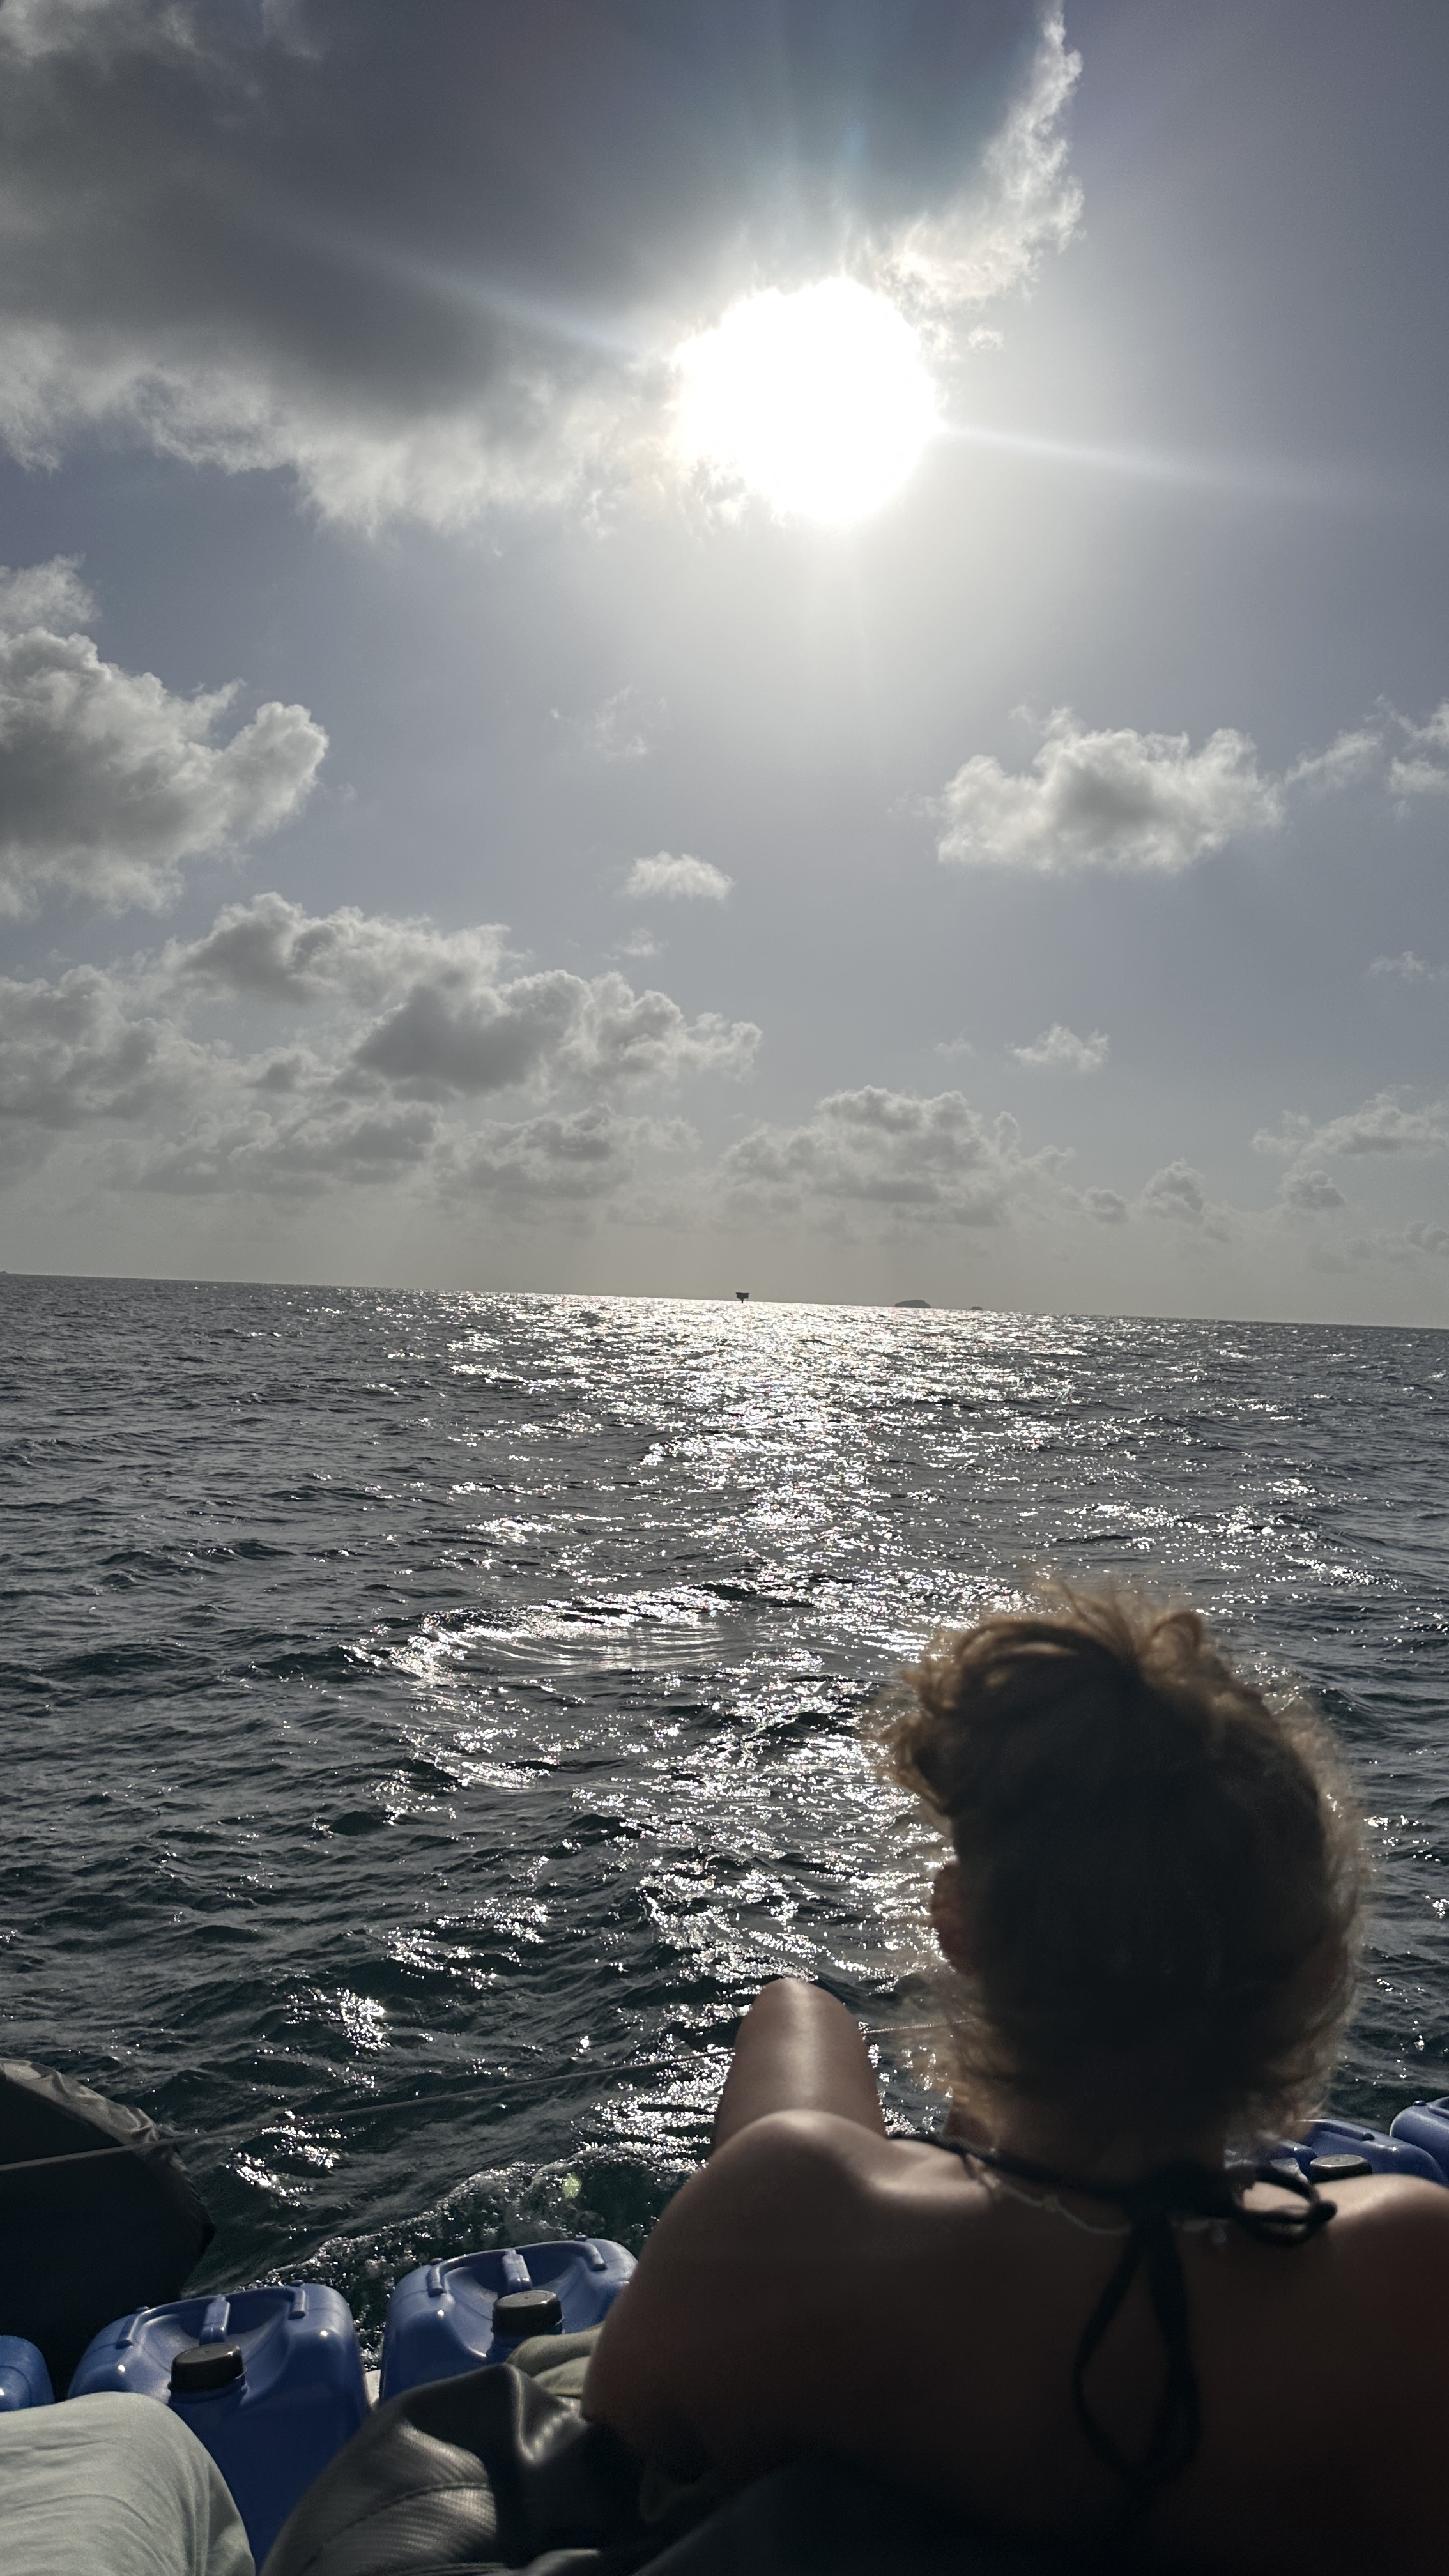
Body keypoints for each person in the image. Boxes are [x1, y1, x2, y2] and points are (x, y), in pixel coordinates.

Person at [584, 1589, 1449, 2573]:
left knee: (798, 2012)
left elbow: (606, 2449)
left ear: (957, 1926)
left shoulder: (778, 2215)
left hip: (889, 2261)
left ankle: (985, 2158)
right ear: (1322, 1972)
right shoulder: (1407, 2271)